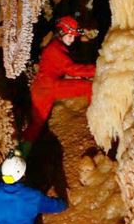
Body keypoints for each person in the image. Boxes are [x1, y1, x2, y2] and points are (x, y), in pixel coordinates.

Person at [21, 15, 96, 154]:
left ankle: (22, 152)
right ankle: (21, 154)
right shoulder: (55, 50)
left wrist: (84, 33)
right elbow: (72, 69)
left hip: (46, 86)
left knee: (36, 125)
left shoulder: (57, 44)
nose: (72, 40)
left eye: (74, 36)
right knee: (89, 87)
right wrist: (98, 70)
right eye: (70, 36)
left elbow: (66, 68)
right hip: (48, 89)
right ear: (61, 33)